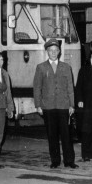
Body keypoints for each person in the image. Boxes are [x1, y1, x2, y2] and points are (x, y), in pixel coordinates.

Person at [33, 39, 77, 169]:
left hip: (63, 106)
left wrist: (72, 105)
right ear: (47, 52)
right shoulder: (41, 67)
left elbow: (70, 87)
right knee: (52, 135)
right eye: (50, 50)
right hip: (48, 106)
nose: (53, 53)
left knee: (66, 135)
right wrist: (38, 105)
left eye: (55, 50)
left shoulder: (66, 67)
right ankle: (55, 161)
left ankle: (69, 161)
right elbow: (37, 87)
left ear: (59, 52)